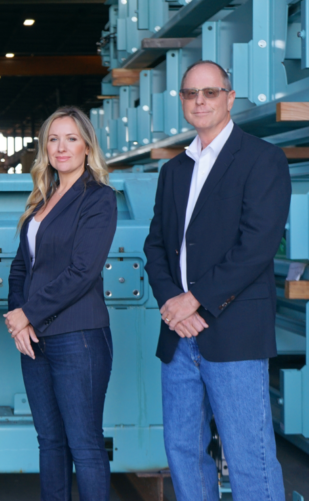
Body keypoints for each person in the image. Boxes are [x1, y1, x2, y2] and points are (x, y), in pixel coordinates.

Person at [143, 60, 290, 500]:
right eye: (191, 93)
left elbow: (256, 248)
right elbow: (156, 247)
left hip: (233, 335)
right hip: (179, 335)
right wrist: (173, 301)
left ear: (229, 97)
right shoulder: (174, 170)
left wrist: (196, 301)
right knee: (184, 451)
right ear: (183, 102)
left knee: (250, 455)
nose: (200, 100)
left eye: (211, 92)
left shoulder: (262, 159)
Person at [5, 106, 117, 501]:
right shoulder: (42, 199)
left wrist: (27, 314)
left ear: (87, 146)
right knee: (49, 442)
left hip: (79, 337)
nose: (61, 147)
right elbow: (21, 267)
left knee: (84, 445)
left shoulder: (98, 199)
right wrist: (20, 320)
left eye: (70, 138)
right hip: (35, 340)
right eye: (53, 139)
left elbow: (82, 271)